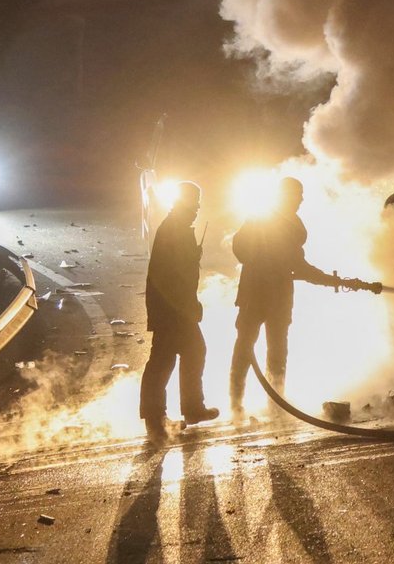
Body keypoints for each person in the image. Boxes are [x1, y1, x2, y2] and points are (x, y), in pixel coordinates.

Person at [228, 176, 366, 416]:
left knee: (274, 348)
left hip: (276, 296)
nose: (301, 199)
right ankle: (237, 405)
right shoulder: (266, 220)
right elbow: (242, 248)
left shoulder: (290, 225)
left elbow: (296, 264)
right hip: (258, 294)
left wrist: (337, 281)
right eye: (297, 194)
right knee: (247, 348)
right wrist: (262, 265)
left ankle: (274, 402)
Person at [139, 181, 219, 439]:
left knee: (180, 354)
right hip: (172, 310)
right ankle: (161, 417)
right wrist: (188, 306)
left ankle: (180, 411)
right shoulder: (175, 229)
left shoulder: (177, 227)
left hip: (173, 308)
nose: (196, 210)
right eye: (194, 204)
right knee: (167, 359)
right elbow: (174, 276)